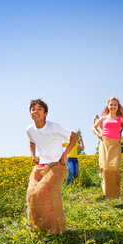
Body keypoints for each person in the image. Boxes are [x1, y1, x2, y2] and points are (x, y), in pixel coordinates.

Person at [25, 99, 78, 235]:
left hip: (57, 164)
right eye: (33, 109)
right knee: (31, 194)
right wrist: (33, 155)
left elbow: (74, 137)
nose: (35, 111)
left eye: (39, 109)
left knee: (43, 192)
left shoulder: (54, 127)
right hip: (41, 165)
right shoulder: (30, 129)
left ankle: (57, 229)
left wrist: (65, 155)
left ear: (45, 113)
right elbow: (31, 141)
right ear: (30, 112)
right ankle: (38, 228)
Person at [92, 97, 123, 198]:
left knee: (114, 168)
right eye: (111, 104)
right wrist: (98, 134)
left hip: (115, 144)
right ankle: (106, 192)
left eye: (115, 105)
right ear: (108, 106)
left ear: (118, 107)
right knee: (105, 168)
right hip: (105, 143)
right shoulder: (103, 118)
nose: (113, 106)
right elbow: (93, 127)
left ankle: (114, 193)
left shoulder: (120, 119)